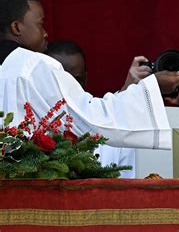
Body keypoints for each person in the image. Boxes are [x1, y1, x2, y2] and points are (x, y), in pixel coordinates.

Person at [0, 0, 179, 150]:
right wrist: (152, 87)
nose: (46, 33)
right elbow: (88, 121)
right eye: (41, 24)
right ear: (17, 27)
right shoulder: (32, 66)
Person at [47, 40, 145, 178]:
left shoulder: (115, 126)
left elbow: (126, 188)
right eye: (61, 81)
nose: (69, 89)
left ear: (86, 79)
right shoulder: (28, 123)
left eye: (76, 80)